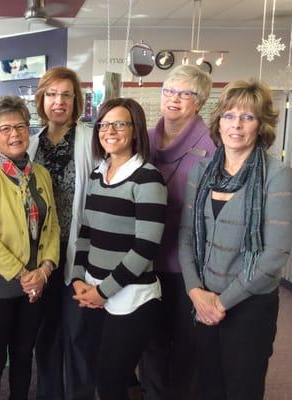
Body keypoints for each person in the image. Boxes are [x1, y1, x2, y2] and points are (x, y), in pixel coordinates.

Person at [179, 79, 292, 400]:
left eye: (248, 117)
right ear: (218, 121)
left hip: (249, 306)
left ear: (262, 125)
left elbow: (274, 255)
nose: (237, 126)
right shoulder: (202, 171)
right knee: (207, 387)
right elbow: (186, 235)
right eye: (229, 116)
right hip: (203, 301)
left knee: (242, 388)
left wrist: (220, 303)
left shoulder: (277, 174)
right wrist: (196, 292)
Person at [71, 98, 167, 399]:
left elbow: (145, 248)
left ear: (135, 129)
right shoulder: (98, 174)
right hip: (93, 289)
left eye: (119, 123)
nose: (110, 130)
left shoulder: (148, 178)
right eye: (104, 124)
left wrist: (102, 292)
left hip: (131, 296)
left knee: (109, 379)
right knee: (110, 372)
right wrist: (77, 279)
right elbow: (86, 232)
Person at [0, 96, 60, 400]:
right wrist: (25, 275)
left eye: (20, 126)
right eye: (5, 128)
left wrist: (45, 270)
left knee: (24, 356)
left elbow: (52, 228)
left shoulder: (42, 175)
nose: (14, 134)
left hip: (36, 285)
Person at [139, 64, 215, 400]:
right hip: (146, 260)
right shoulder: (145, 139)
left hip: (189, 267)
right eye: (169, 90)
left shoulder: (213, 144)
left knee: (187, 348)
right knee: (150, 343)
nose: (174, 99)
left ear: (199, 102)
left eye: (185, 93)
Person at [28, 66, 97, 400]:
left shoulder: (90, 140)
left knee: (79, 337)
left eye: (66, 95)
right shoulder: (29, 145)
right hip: (42, 259)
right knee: (46, 336)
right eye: (51, 94)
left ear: (76, 101)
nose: (58, 102)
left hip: (78, 256)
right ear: (42, 99)